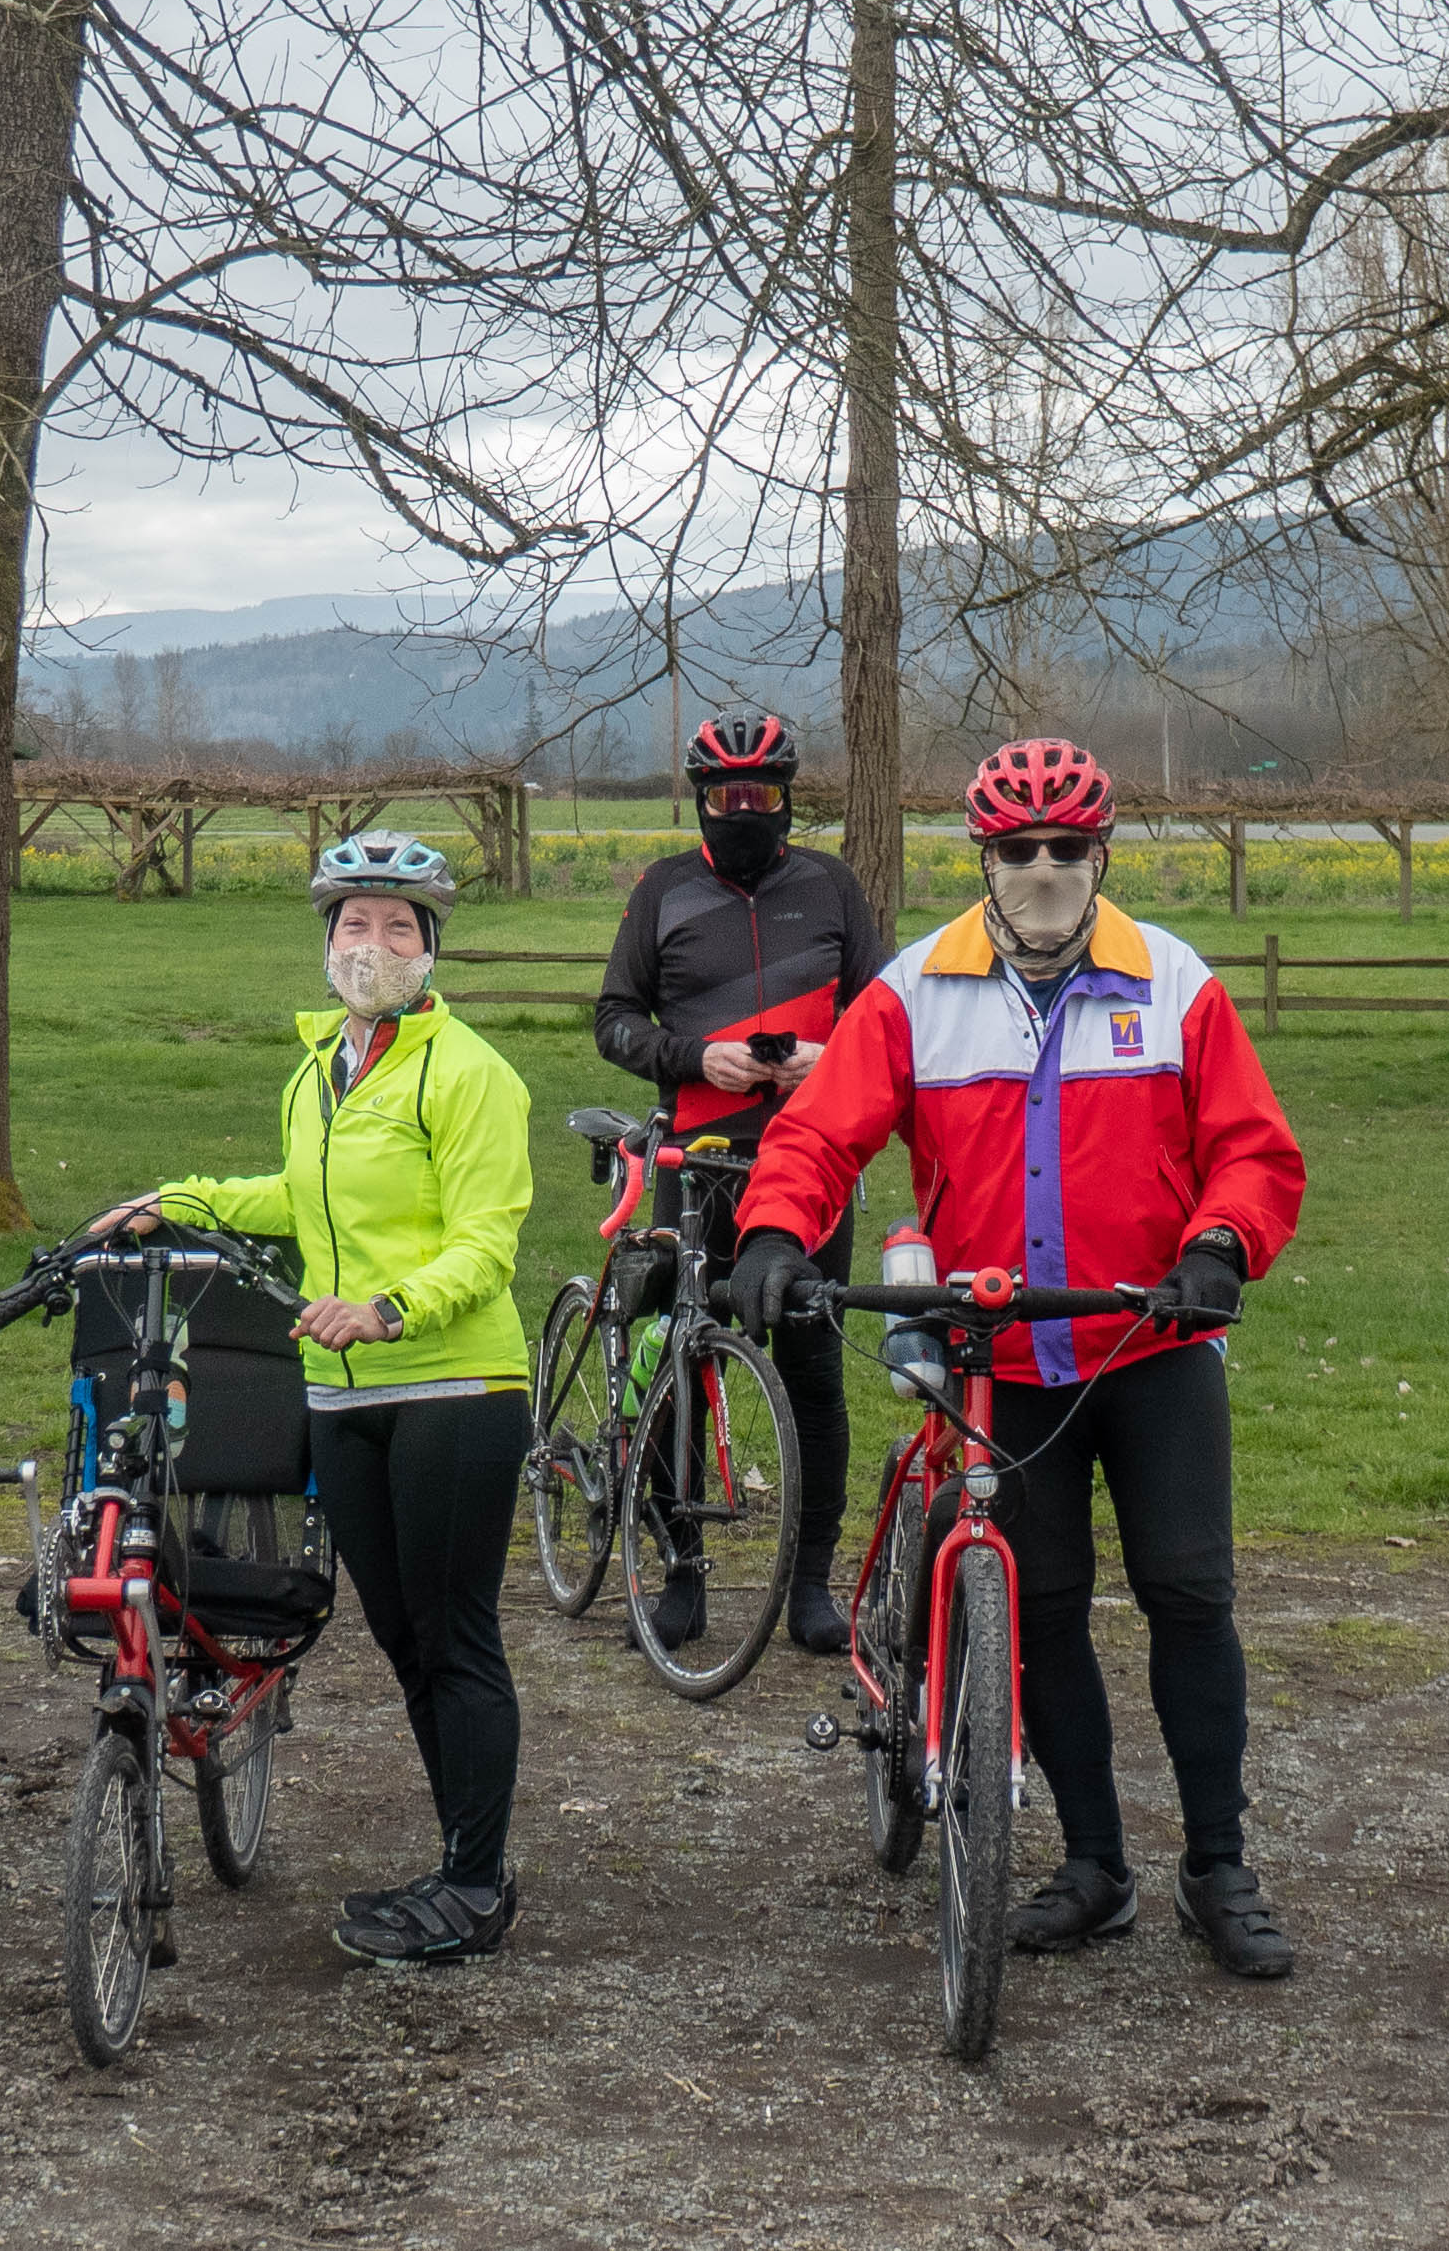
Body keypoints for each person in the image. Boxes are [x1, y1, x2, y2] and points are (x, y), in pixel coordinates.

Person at [728, 736, 1311, 1980]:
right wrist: (775, 1229)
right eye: (1018, 849)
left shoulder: (1174, 981)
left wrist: (1220, 1243)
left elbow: (1254, 1149)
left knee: (1188, 1597)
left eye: (1067, 847)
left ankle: (1218, 1864)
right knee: (1039, 1609)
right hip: (1004, 1356)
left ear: (1103, 853)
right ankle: (1095, 1864)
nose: (1044, 868)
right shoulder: (915, 990)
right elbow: (818, 1135)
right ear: (981, 857)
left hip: (1149, 1339)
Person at [130, 830, 538, 1966]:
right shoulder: (317, 1071)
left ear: (431, 947)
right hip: (343, 1400)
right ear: (325, 941)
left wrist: (390, 1309)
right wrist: (176, 1198)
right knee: (405, 1640)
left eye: (399, 928)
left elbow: (487, 1242)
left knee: (455, 1637)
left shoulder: (469, 1074)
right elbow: (298, 1197)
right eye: (355, 924)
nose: (374, 946)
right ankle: (461, 1861)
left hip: (454, 1386)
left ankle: (476, 1885)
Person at [590, 706, 887, 1653]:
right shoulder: (664, 890)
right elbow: (613, 1019)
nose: (745, 811)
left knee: (813, 1371)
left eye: (761, 795)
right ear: (701, 802)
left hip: (814, 1158)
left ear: (789, 798)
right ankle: (682, 1572)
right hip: (697, 1164)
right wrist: (695, 1058)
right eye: (727, 798)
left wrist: (829, 1059)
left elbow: (886, 1018)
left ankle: (811, 1584)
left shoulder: (832, 887)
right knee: (679, 1364)